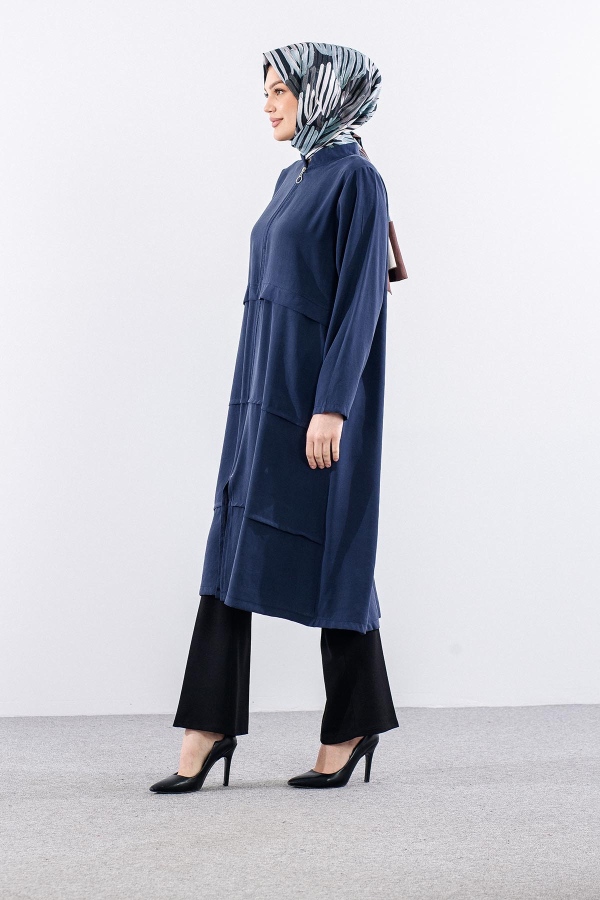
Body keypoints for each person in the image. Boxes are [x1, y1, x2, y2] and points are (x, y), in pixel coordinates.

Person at [150, 42, 400, 794]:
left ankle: (350, 726)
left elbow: (361, 300)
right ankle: (209, 726)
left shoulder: (357, 179)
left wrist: (332, 406)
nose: (267, 105)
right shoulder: (293, 176)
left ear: (323, 93)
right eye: (265, 92)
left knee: (337, 551)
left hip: (317, 399)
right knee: (232, 538)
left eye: (280, 91)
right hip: (261, 391)